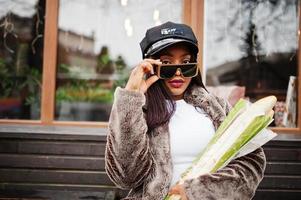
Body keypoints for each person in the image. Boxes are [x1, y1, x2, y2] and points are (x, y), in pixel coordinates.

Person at [105, 21, 266, 200]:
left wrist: (199, 191)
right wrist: (131, 97)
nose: (178, 72)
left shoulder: (218, 107)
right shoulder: (137, 110)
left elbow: (251, 162)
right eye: (167, 63)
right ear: (150, 66)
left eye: (186, 62)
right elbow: (126, 177)